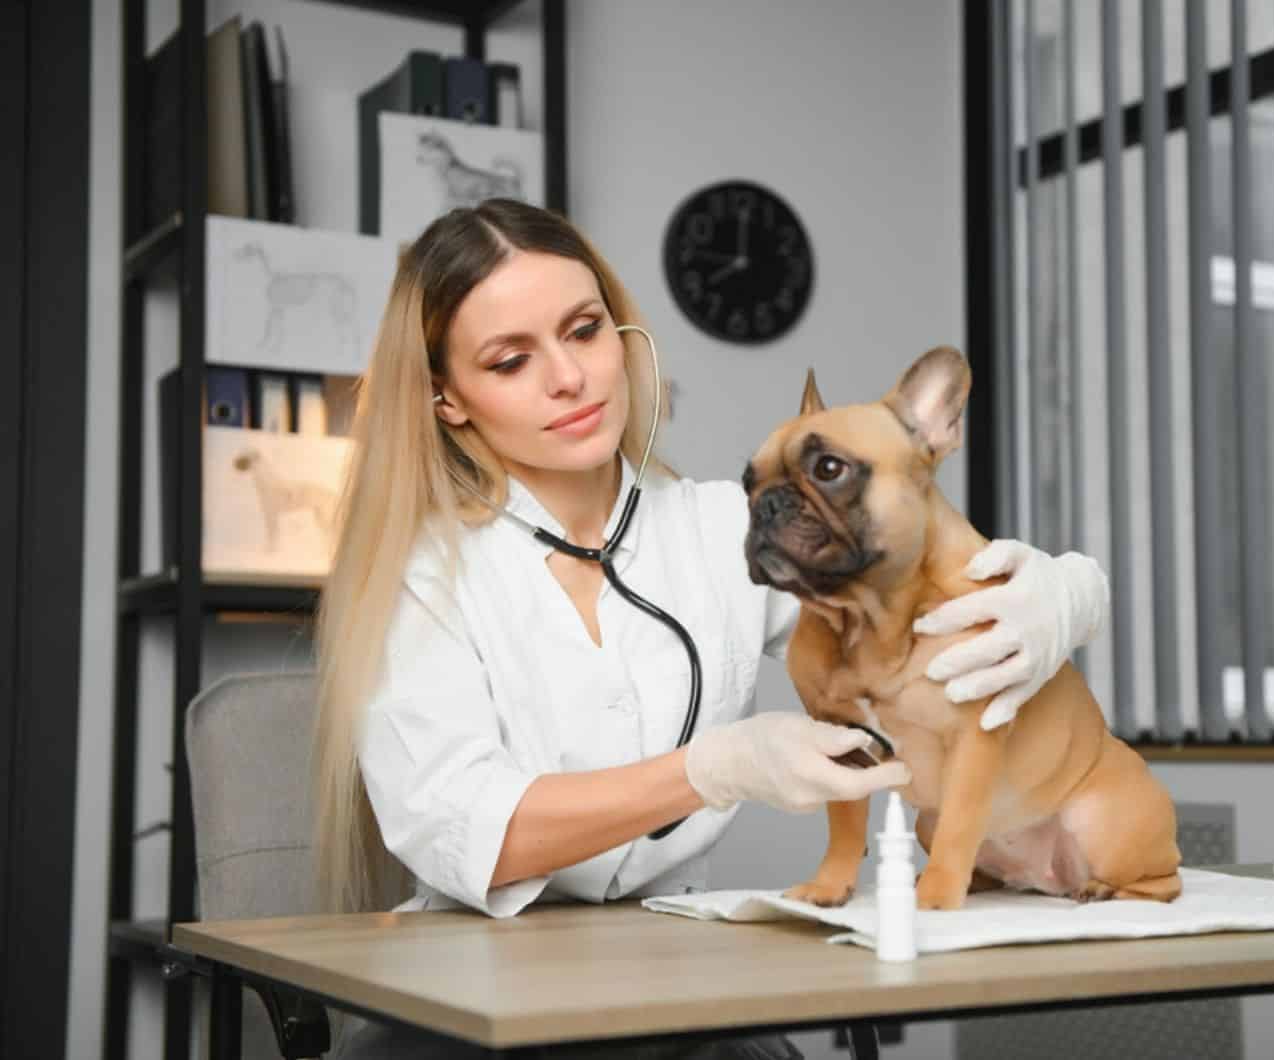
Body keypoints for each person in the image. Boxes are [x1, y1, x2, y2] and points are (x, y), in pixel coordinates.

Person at [312, 199, 1109, 1058]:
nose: (570, 378)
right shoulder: (419, 574)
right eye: (511, 361)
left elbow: (923, 611)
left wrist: (1065, 593)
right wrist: (714, 767)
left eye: (584, 331)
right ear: (447, 399)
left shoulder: (729, 528)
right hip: (466, 998)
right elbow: (471, 828)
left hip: (673, 982)